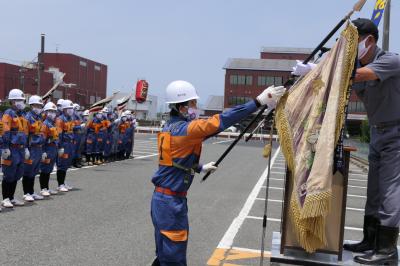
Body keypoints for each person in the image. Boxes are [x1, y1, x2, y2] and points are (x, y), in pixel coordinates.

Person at [292, 18, 400, 265]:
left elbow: (358, 76)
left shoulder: (389, 61)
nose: (350, 49)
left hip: (396, 132)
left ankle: (386, 250)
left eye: (353, 43)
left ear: (369, 41)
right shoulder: (356, 64)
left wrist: (315, 70)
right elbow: (339, 82)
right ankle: (370, 241)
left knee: (391, 191)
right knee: (374, 190)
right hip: (377, 132)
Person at [150, 80, 285, 266]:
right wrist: (257, 102)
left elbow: (172, 160)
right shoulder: (186, 130)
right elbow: (222, 121)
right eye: (192, 103)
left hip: (162, 200)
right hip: (171, 203)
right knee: (174, 259)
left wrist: (199, 167)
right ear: (181, 107)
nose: (195, 107)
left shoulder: (169, 128)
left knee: (164, 255)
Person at [1, 89, 29, 208]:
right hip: (11, 148)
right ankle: (5, 198)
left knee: (17, 174)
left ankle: (11, 198)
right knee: (9, 174)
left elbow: (26, 133)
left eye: (22, 100)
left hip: (21, 149)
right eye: (18, 100)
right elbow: (4, 131)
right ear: (12, 101)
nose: (21, 102)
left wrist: (26, 148)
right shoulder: (8, 113)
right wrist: (5, 147)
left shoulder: (22, 115)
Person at [22, 95, 45, 202]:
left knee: (34, 171)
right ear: (31, 106)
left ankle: (31, 192)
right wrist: (25, 148)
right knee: (28, 171)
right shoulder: (27, 118)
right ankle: (26, 193)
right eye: (36, 105)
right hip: (31, 148)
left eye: (40, 106)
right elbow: (25, 135)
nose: (38, 107)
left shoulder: (39, 118)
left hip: (38, 148)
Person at [39, 102, 59, 196]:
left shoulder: (53, 123)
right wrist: (42, 151)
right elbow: (43, 139)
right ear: (46, 112)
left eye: (54, 111)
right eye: (50, 111)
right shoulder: (45, 124)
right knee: (44, 169)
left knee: (49, 169)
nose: (52, 113)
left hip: (52, 149)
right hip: (47, 149)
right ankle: (43, 188)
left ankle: (47, 187)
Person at [55, 99, 75, 192]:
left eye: (71, 108)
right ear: (63, 109)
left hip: (70, 144)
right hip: (64, 144)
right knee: (61, 164)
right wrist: (60, 147)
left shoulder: (70, 119)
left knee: (66, 164)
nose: (70, 110)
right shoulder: (60, 119)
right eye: (68, 108)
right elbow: (59, 134)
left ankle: (63, 182)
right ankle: (60, 184)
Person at [72, 103, 83, 168]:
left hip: (79, 134)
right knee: (74, 149)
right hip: (75, 134)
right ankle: (73, 162)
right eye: (77, 110)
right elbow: (72, 127)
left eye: (79, 110)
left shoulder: (79, 117)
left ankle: (77, 161)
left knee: (78, 149)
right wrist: (79, 126)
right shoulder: (72, 117)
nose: (78, 112)